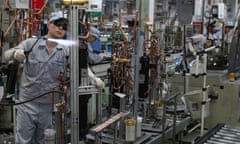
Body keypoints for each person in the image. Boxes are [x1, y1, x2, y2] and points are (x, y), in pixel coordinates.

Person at [4, 11, 104, 144]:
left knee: (45, 140)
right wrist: (16, 53)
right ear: (49, 25)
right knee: (23, 140)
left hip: (49, 106)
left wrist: (93, 78)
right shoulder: (32, 43)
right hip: (28, 104)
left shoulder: (65, 50)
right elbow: (6, 55)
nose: (61, 28)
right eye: (58, 24)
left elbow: (79, 66)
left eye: (64, 26)